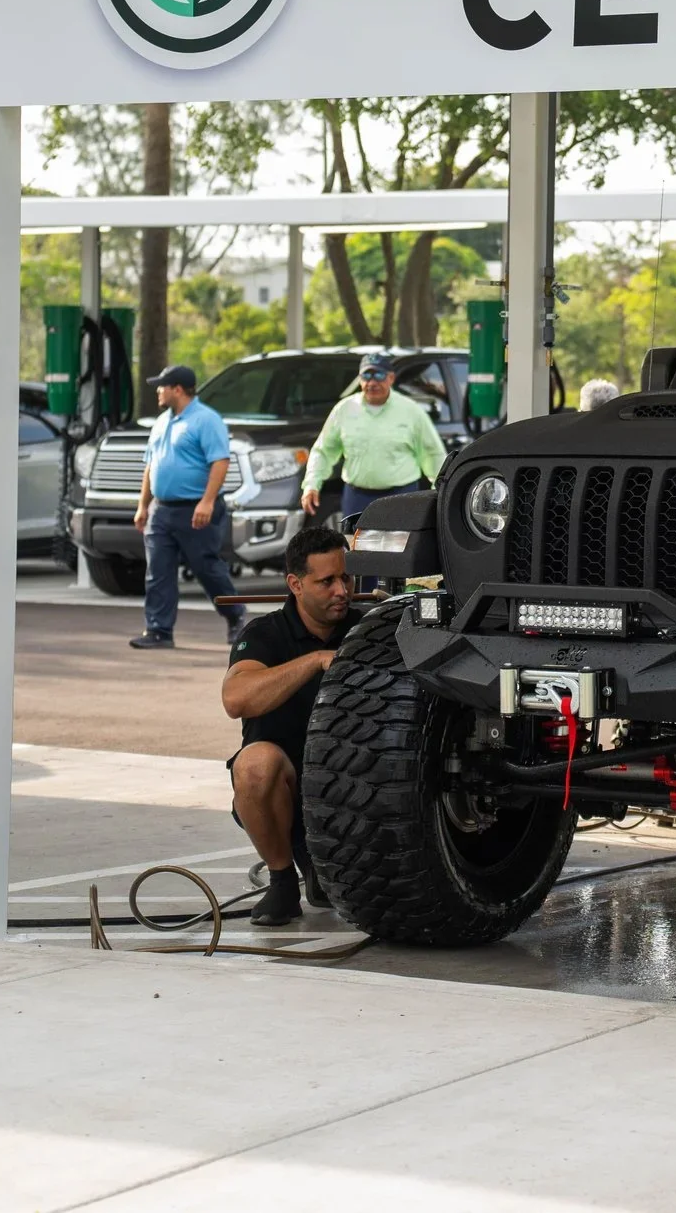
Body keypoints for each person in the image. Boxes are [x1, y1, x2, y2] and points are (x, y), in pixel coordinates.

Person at [224, 524, 357, 927]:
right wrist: (315, 661)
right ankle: (282, 881)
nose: (342, 591)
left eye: (346, 578)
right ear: (295, 584)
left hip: (357, 795)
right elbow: (236, 699)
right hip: (291, 793)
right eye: (327, 581)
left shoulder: (366, 629)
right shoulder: (264, 635)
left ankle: (325, 868)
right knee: (254, 765)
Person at [130, 364, 244, 650]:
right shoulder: (161, 421)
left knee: (206, 567)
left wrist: (206, 501)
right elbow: (150, 465)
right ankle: (159, 630)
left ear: (177, 389)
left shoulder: (206, 420)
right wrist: (143, 505)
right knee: (158, 570)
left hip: (195, 508)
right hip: (161, 509)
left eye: (162, 386)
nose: (158, 390)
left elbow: (220, 461)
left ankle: (235, 616)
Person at [300, 353, 447, 525]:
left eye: (378, 375)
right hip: (356, 497)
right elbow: (323, 451)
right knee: (355, 549)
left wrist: (440, 492)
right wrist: (311, 484)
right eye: (366, 376)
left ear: (391, 378)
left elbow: (433, 454)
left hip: (401, 497)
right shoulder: (344, 410)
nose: (372, 383)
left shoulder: (411, 411)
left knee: (398, 550)